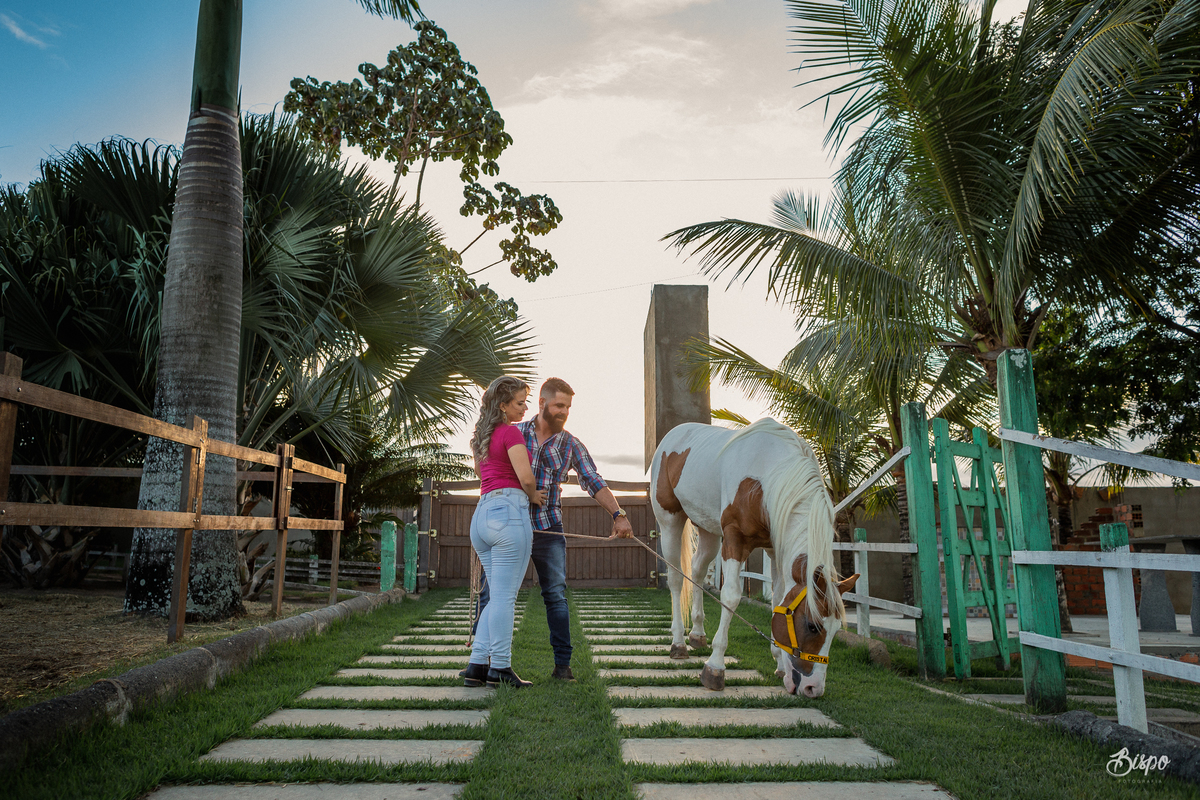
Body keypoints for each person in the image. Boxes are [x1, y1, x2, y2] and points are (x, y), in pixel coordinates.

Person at [471, 377, 634, 682]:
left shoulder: (571, 444)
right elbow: (487, 467)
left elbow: (594, 481)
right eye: (559, 405)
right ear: (542, 403)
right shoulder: (513, 431)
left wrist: (618, 513)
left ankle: (562, 666)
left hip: (547, 527)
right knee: (491, 593)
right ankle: (484, 661)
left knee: (556, 595)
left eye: (569, 407)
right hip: (508, 526)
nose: (564, 412)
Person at [461, 376, 545, 689]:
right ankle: (500, 666)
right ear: (502, 405)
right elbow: (525, 477)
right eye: (520, 402)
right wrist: (534, 495)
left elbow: (483, 474)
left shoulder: (480, 438)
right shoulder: (510, 432)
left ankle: (477, 665)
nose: (525, 408)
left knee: (496, 596)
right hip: (509, 514)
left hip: (481, 516)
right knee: (504, 598)